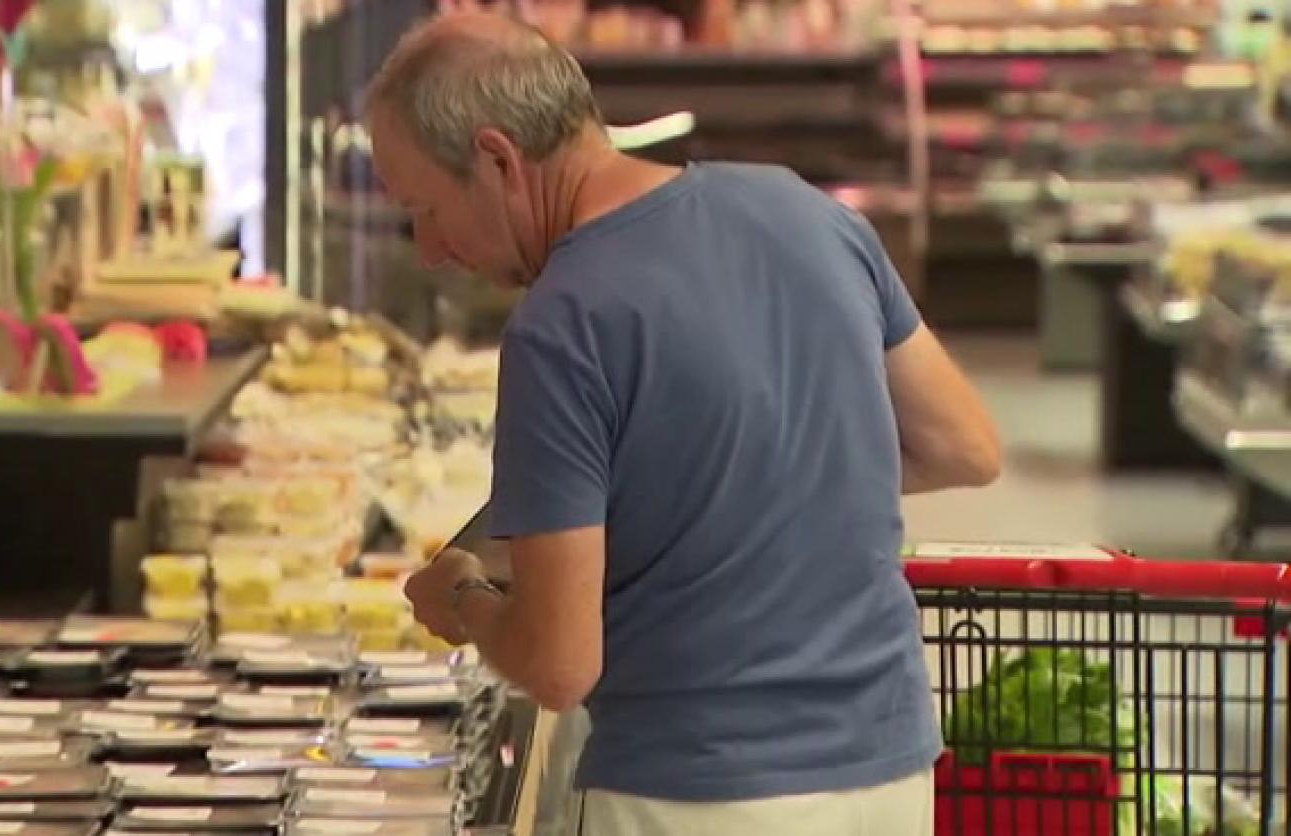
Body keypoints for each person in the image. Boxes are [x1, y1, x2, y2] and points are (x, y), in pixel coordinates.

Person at [367, 12, 1001, 836]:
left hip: (696, 795)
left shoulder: (562, 322)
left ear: (496, 160)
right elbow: (963, 445)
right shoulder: (803, 211)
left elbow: (558, 665)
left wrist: (464, 596)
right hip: (889, 773)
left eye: (425, 208)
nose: (428, 249)